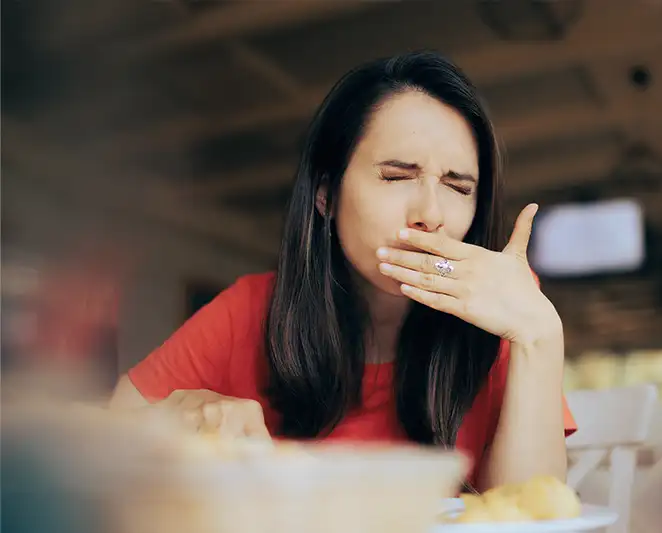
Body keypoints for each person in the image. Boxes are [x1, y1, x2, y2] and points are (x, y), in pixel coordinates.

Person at [110, 51, 576, 491]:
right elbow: (105, 435)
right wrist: (182, 419)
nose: (430, 214)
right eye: (396, 177)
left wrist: (539, 336)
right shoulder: (251, 309)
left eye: (458, 186)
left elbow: (528, 513)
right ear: (326, 195)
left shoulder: (509, 307)